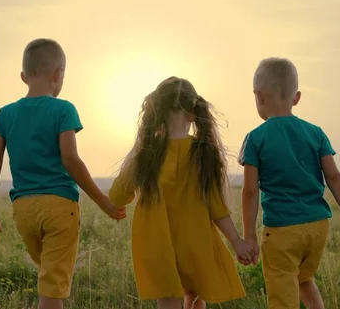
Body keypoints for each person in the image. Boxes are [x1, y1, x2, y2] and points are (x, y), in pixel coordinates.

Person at [0, 38, 126, 309]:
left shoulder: (4, 114)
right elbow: (70, 159)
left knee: (49, 278)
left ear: (24, 77)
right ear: (59, 73)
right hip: (59, 207)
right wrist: (103, 202)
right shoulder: (63, 109)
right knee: (51, 289)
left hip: (23, 210)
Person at [109, 76, 254, 309]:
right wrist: (236, 241)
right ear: (193, 113)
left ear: (156, 112)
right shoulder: (203, 152)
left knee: (168, 300)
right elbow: (216, 207)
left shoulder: (147, 153)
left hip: (157, 246)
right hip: (196, 244)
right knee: (195, 296)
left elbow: (117, 197)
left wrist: (138, 146)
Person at [239, 57, 340, 309]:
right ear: (296, 97)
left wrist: (249, 236)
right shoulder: (316, 132)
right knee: (303, 278)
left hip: (282, 232)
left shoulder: (255, 138)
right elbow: (335, 178)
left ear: (258, 96)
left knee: (282, 295)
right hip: (317, 228)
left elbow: (250, 192)